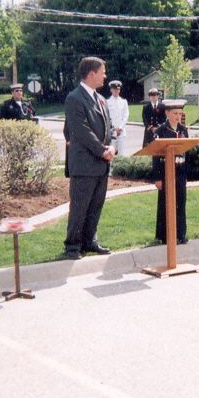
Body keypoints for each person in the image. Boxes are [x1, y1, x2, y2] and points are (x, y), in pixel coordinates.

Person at [62, 57, 114, 259]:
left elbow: (108, 127)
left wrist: (111, 146)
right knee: (80, 207)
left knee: (95, 206)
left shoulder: (101, 99)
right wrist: (102, 150)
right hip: (84, 164)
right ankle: (72, 246)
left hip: (101, 164)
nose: (105, 76)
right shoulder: (74, 98)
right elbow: (81, 131)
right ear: (91, 74)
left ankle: (89, 241)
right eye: (102, 72)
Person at [151, 104, 189, 245]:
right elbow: (155, 155)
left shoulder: (183, 130)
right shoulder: (161, 130)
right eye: (175, 113)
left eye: (180, 113)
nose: (178, 116)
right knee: (165, 203)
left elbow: (187, 152)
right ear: (167, 113)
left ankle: (180, 234)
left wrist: (186, 175)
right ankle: (164, 236)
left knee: (180, 203)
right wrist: (157, 178)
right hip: (165, 172)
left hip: (179, 172)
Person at [106, 80, 130, 156]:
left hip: (121, 132)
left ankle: (120, 168)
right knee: (111, 153)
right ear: (111, 90)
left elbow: (126, 115)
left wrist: (120, 128)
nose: (116, 91)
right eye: (114, 89)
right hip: (111, 132)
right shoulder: (107, 102)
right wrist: (113, 129)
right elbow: (107, 116)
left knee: (121, 154)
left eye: (118, 89)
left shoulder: (124, 101)